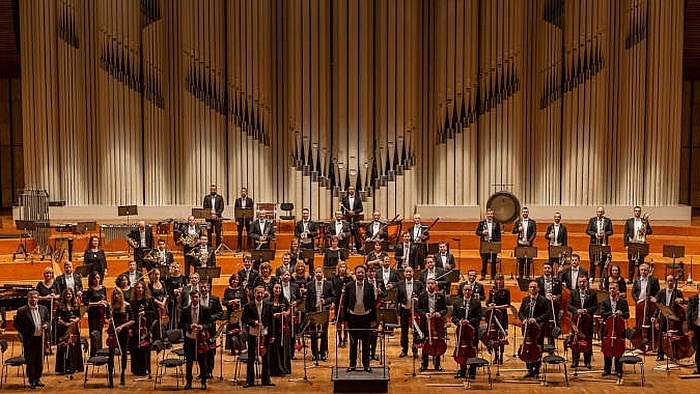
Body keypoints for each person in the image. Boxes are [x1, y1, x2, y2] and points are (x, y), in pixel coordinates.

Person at [342, 265, 376, 372]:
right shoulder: (349, 286)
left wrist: (374, 319)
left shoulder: (370, 286)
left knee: (366, 343)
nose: (360, 274)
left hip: (366, 318)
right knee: (353, 343)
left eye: (362, 272)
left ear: (365, 274)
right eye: (358, 272)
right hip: (353, 318)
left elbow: (373, 304)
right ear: (355, 274)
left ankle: (366, 364)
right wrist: (345, 320)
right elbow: (345, 304)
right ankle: (352, 364)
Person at [14, 290, 50, 389]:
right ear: (28, 298)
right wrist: (26, 332)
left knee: (39, 360)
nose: (33, 299)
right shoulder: (22, 310)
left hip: (41, 338)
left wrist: (47, 325)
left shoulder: (43, 309)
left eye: (35, 297)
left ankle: (38, 379)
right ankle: (32, 380)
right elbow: (16, 324)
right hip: (29, 339)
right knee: (31, 360)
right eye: (31, 297)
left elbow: (48, 320)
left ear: (38, 299)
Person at [242, 285, 275, 387]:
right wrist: (253, 322)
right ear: (254, 293)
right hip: (253, 334)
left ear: (264, 293)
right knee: (251, 358)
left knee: (266, 359)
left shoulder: (268, 305)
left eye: (261, 293)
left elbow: (271, 321)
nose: (260, 295)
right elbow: (244, 319)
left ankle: (266, 380)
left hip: (264, 335)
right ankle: (249, 381)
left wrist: (272, 335)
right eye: (258, 293)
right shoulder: (248, 306)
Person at [180, 290, 211, 390]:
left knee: (202, 362)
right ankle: (188, 381)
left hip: (201, 338)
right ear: (190, 297)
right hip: (189, 338)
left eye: (196, 297)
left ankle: (203, 381)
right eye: (193, 297)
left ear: (199, 297)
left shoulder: (205, 309)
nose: (195, 299)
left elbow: (209, 323)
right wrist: (189, 326)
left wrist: (202, 327)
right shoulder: (185, 309)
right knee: (189, 361)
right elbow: (181, 323)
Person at [518, 281, 549, 379]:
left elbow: (547, 314)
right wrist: (523, 320)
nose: (532, 289)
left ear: (538, 289)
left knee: (537, 349)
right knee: (527, 348)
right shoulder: (525, 300)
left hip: (538, 329)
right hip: (527, 329)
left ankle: (536, 370)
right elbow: (520, 312)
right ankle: (529, 370)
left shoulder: (543, 300)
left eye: (534, 287)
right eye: (530, 287)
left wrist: (536, 320)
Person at [452, 283, 483, 378]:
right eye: (465, 290)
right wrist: (459, 322)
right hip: (461, 330)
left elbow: (479, 316)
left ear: (472, 291)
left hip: (472, 331)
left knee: (472, 350)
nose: (467, 292)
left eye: (469, 290)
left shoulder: (477, 302)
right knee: (461, 349)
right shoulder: (457, 302)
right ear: (462, 291)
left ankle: (472, 372)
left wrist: (469, 322)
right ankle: (462, 370)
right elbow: (453, 317)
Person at [416, 277, 446, 372]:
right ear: (426, 285)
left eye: (432, 283)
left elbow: (445, 309)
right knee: (425, 342)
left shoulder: (440, 296)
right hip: (426, 322)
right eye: (428, 283)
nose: (430, 285)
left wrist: (439, 313)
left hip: (437, 323)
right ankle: (424, 364)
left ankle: (437, 364)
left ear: (435, 285)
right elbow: (417, 308)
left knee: (437, 342)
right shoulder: (422, 295)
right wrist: (424, 314)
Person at [599, 282, 629, 378]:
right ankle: (607, 369)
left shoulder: (623, 301)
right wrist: (612, 314)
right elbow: (602, 313)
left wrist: (621, 313)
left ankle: (618, 369)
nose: (612, 290)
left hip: (619, 329)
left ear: (617, 290)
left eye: (614, 288)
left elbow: (627, 315)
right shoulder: (604, 301)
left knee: (618, 349)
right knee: (607, 348)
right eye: (610, 288)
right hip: (607, 328)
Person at [652, 275, 685, 361]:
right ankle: (660, 354)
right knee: (661, 336)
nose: (670, 283)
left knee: (674, 336)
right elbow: (657, 306)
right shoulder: (661, 292)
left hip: (674, 317)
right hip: (664, 316)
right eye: (669, 281)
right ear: (666, 282)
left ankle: (673, 355)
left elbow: (683, 301)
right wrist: (654, 316)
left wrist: (681, 300)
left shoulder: (678, 292)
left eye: (672, 281)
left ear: (674, 282)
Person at [306, 266, 335, 362]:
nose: (318, 274)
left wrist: (325, 301)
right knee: (313, 333)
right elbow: (307, 300)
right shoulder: (309, 284)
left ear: (322, 273)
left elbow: (333, 296)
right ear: (314, 273)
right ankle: (315, 354)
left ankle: (323, 353)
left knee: (324, 333)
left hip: (324, 311)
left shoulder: (329, 284)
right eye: (316, 272)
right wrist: (308, 313)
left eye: (320, 272)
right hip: (313, 311)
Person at [106, 288, 134, 386]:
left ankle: (122, 373)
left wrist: (121, 327)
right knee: (111, 354)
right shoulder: (110, 307)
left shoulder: (127, 305)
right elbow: (106, 319)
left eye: (118, 294)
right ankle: (110, 376)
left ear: (121, 295)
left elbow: (132, 320)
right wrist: (108, 321)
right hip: (112, 333)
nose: (116, 296)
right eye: (114, 294)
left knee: (124, 353)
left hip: (123, 332)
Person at [567, 276, 596, 369]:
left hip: (588, 321)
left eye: (584, 282)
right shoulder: (573, 293)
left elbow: (595, 306)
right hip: (576, 321)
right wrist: (576, 310)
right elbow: (569, 305)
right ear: (577, 283)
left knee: (587, 339)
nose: (582, 284)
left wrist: (586, 310)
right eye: (580, 282)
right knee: (575, 339)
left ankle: (587, 362)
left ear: (587, 282)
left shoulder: (592, 293)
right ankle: (575, 361)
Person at [396, 266, 425, 358]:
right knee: (404, 331)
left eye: (410, 272)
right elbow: (397, 299)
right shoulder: (400, 284)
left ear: (413, 273)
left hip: (415, 311)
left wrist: (417, 299)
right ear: (404, 273)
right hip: (404, 310)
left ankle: (415, 350)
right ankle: (404, 350)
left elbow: (423, 296)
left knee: (415, 331)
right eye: (406, 272)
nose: (408, 273)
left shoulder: (419, 284)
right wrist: (398, 312)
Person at [199, 281, 224, 378]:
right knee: (201, 351)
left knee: (211, 350)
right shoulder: (196, 298)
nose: (203, 289)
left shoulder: (215, 299)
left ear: (208, 288)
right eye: (201, 287)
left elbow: (220, 313)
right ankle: (202, 372)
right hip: (200, 329)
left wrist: (212, 318)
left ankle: (210, 371)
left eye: (205, 287)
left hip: (211, 329)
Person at [55, 288, 83, 375]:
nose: (68, 296)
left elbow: (79, 316)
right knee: (64, 346)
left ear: (72, 295)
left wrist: (75, 321)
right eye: (67, 294)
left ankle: (74, 367)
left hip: (74, 329)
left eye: (70, 294)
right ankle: (64, 368)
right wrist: (65, 324)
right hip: (63, 329)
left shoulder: (75, 305)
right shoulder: (60, 306)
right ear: (64, 296)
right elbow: (57, 318)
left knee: (73, 346)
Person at [130, 281, 155, 376]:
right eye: (138, 288)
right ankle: (137, 369)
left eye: (141, 288)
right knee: (135, 348)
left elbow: (153, 313)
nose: (140, 289)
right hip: (135, 327)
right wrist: (130, 329)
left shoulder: (148, 300)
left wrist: (145, 313)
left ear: (144, 289)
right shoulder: (132, 302)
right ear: (135, 290)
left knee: (145, 348)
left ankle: (146, 368)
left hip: (145, 328)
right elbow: (130, 316)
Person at [624, 206, 653, 283]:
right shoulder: (629, 221)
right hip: (632, 243)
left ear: (640, 212)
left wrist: (644, 230)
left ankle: (639, 279)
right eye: (636, 211)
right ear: (634, 212)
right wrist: (626, 245)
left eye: (639, 211)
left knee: (641, 262)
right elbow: (625, 234)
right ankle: (630, 279)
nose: (637, 212)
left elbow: (650, 231)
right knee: (631, 262)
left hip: (641, 243)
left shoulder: (644, 221)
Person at [536, 261, 562, 345]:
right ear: (543, 269)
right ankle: (540, 344)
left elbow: (560, 293)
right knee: (542, 325)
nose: (547, 270)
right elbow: (537, 293)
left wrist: (556, 297)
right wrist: (544, 298)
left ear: (551, 269)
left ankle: (552, 344)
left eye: (548, 268)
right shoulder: (538, 280)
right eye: (545, 268)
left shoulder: (557, 280)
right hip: (542, 306)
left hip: (553, 306)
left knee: (552, 325)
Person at [82, 272, 108, 357]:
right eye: (95, 278)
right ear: (92, 280)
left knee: (100, 333)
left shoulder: (103, 288)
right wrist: (97, 303)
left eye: (98, 278)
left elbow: (106, 300)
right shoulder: (90, 290)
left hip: (101, 313)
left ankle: (100, 352)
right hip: (93, 314)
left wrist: (104, 303)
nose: (96, 280)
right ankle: (93, 354)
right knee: (93, 333)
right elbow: (86, 303)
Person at [585, 206, 613, 280]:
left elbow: (611, 231)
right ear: (596, 212)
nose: (599, 213)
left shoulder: (608, 220)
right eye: (598, 212)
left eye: (601, 212)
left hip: (603, 243)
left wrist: (605, 234)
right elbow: (588, 231)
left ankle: (602, 277)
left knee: (603, 260)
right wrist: (595, 234)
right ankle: (591, 276)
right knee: (592, 260)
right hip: (594, 242)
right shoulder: (592, 220)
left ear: (603, 212)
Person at [269, 283, 292, 375]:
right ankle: (275, 369)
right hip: (273, 327)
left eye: (279, 288)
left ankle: (284, 368)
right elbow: (265, 313)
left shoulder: (284, 300)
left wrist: (285, 313)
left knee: (284, 347)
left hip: (283, 326)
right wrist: (273, 315)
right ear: (273, 289)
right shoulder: (268, 300)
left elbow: (289, 309)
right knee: (275, 348)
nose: (278, 290)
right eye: (276, 288)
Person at [487, 273, 510, 364]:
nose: (499, 282)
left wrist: (497, 307)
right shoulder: (492, 291)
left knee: (502, 336)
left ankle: (501, 356)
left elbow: (508, 304)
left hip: (503, 315)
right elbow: (488, 302)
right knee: (495, 336)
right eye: (497, 280)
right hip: (494, 316)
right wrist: (490, 305)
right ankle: (496, 355)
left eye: (501, 280)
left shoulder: (506, 291)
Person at [222, 273, 248, 354]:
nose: (235, 281)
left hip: (240, 313)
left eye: (237, 280)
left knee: (240, 330)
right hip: (231, 313)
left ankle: (241, 347)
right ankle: (232, 348)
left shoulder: (242, 289)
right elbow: (223, 301)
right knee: (231, 330)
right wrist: (230, 302)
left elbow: (245, 301)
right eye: (234, 279)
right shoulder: (227, 290)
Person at [35, 267, 59, 348]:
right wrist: (45, 297)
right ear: (44, 274)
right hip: (43, 308)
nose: (49, 275)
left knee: (52, 323)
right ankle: (45, 342)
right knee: (44, 324)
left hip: (53, 308)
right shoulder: (40, 284)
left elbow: (60, 295)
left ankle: (52, 341)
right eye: (47, 273)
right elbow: (36, 297)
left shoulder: (55, 283)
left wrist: (54, 296)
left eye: (50, 273)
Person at [476, 208, 501, 280]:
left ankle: (493, 275)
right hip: (485, 244)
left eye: (491, 214)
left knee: (493, 260)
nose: (490, 215)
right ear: (486, 214)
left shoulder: (496, 223)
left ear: (493, 215)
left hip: (493, 243)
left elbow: (498, 234)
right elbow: (477, 232)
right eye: (488, 214)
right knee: (484, 260)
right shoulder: (482, 223)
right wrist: (482, 233)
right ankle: (483, 275)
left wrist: (498, 244)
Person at [366, 265, 385, 360]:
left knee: (374, 332)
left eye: (373, 271)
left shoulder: (380, 281)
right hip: (366, 310)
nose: (372, 273)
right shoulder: (364, 282)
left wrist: (381, 292)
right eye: (370, 271)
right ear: (367, 273)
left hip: (376, 309)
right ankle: (366, 353)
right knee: (367, 333)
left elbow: (385, 294)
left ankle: (373, 353)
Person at [332, 261, 354, 347]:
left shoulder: (349, 278)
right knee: (338, 321)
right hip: (338, 301)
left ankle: (345, 338)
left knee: (345, 321)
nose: (342, 269)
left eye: (344, 267)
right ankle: (339, 339)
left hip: (347, 302)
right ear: (338, 268)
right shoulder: (335, 278)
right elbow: (333, 290)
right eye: (340, 267)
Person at [513, 207, 537, 278]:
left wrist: (529, 241)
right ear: (522, 213)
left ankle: (527, 275)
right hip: (520, 243)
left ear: (528, 213)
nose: (525, 213)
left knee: (528, 261)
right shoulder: (518, 221)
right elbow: (513, 231)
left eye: (526, 212)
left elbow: (534, 232)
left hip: (529, 244)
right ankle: (520, 276)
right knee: (521, 261)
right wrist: (518, 229)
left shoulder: (532, 222)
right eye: (524, 212)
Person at [341, 185, 364, 251]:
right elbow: (342, 209)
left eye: (352, 189)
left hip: (355, 219)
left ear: (354, 190)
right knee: (347, 234)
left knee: (357, 235)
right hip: (347, 219)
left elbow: (361, 209)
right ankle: (346, 249)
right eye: (350, 189)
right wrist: (345, 214)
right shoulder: (344, 199)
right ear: (348, 190)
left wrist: (354, 212)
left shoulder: (358, 199)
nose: (351, 190)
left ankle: (358, 249)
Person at [149, 268, 168, 339]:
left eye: (158, 274)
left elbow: (166, 294)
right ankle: (157, 338)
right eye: (155, 274)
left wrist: (163, 303)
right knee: (156, 322)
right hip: (155, 306)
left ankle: (164, 337)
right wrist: (159, 303)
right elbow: (150, 296)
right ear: (153, 275)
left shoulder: (162, 283)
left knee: (164, 322)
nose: (157, 276)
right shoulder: (150, 285)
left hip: (163, 306)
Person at [685, 283, 700, 374]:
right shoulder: (693, 299)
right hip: (696, 326)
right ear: (698, 289)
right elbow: (688, 315)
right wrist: (690, 328)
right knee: (698, 347)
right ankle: (699, 368)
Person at [235, 187, 254, 252]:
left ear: (246, 192)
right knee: (239, 233)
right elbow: (236, 211)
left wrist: (251, 219)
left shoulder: (250, 200)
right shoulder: (237, 200)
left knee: (249, 233)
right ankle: (239, 247)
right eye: (242, 191)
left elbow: (252, 210)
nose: (243, 193)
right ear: (241, 193)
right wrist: (236, 220)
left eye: (244, 191)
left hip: (248, 219)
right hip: (240, 219)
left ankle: (249, 247)